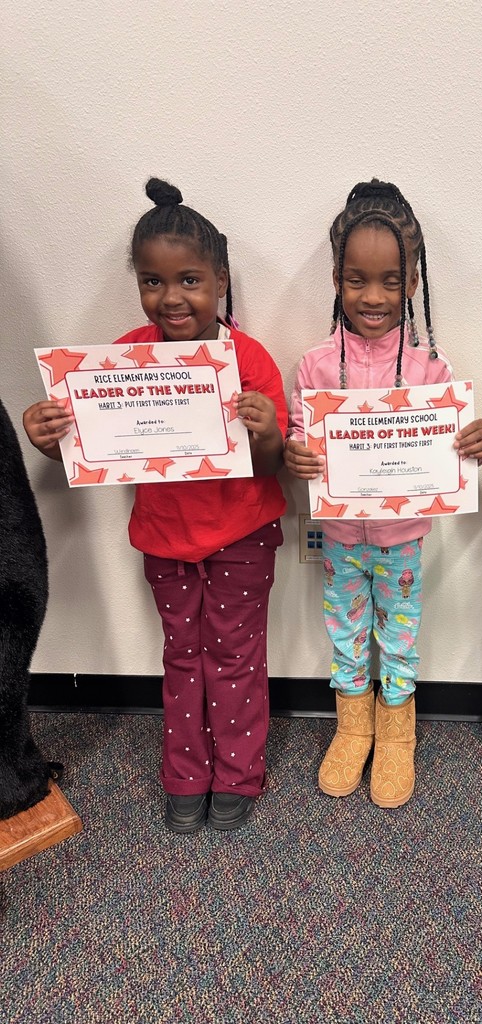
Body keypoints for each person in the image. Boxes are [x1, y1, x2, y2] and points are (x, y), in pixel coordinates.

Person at [23, 179, 287, 833]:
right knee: (183, 657)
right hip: (165, 538)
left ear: (220, 281)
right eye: (153, 281)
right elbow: (88, 449)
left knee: (235, 656)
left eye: (189, 280)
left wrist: (266, 433)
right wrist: (50, 439)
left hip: (242, 535)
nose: (171, 297)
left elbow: (274, 463)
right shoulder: (125, 358)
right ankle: (185, 774)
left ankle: (238, 773)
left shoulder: (248, 359)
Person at [286, 179, 482, 808]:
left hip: (402, 539)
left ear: (412, 282)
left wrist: (476, 440)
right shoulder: (314, 365)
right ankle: (354, 726)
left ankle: (398, 733)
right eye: (356, 279)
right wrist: (297, 451)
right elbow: (299, 432)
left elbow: (453, 443)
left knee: (399, 636)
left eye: (390, 280)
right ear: (336, 278)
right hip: (339, 537)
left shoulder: (432, 366)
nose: (372, 296)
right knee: (345, 630)